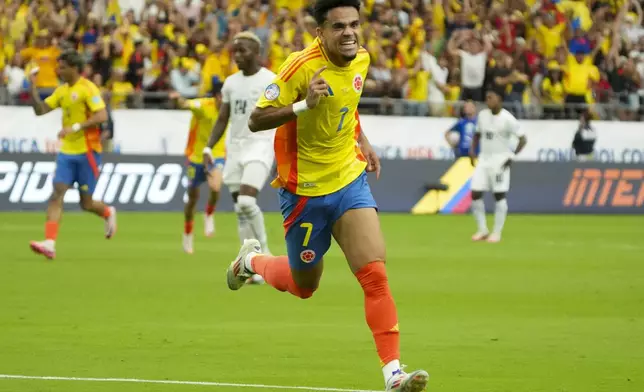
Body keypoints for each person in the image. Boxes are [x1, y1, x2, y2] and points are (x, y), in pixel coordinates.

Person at [225, 0, 429, 391]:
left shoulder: (362, 59)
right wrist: (304, 104)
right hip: (303, 193)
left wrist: (363, 141)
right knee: (305, 286)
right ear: (320, 32)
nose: (349, 33)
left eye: (354, 24)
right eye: (339, 26)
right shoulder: (298, 67)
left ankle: (394, 375)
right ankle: (251, 260)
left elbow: (347, 108)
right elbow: (256, 119)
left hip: (348, 181)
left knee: (375, 276)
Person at [29, 51, 117, 260]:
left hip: (88, 152)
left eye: (62, 67)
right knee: (56, 194)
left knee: (86, 204)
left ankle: (107, 212)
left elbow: (102, 115)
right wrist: (32, 86)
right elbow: (40, 110)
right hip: (67, 152)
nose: (58, 71)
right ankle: (50, 243)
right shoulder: (62, 91)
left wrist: (75, 127)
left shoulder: (87, 88)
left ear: (74, 68)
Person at [203, 32, 276, 284]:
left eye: (243, 51)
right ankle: (250, 265)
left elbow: (282, 111)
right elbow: (223, 118)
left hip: (260, 145)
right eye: (235, 51)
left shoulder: (271, 80)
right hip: (234, 149)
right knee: (240, 210)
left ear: (257, 54)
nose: (237, 56)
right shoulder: (231, 83)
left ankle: (265, 254)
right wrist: (208, 148)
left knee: (246, 201)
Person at [169, 83, 227, 254]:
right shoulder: (204, 106)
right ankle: (187, 234)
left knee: (216, 187)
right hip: (196, 156)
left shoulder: (229, 108)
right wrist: (178, 99)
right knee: (192, 198)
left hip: (216, 154)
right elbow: (186, 104)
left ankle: (209, 214)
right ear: (217, 96)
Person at [469, 89, 527, 243]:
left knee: (499, 195)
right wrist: (472, 150)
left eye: (491, 98)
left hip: (500, 160)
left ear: (499, 99)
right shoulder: (482, 115)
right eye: (486, 98)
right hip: (484, 159)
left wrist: (512, 156)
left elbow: (523, 139)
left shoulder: (508, 119)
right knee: (475, 193)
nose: (488, 101)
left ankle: (496, 233)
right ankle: (482, 230)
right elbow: (477, 134)